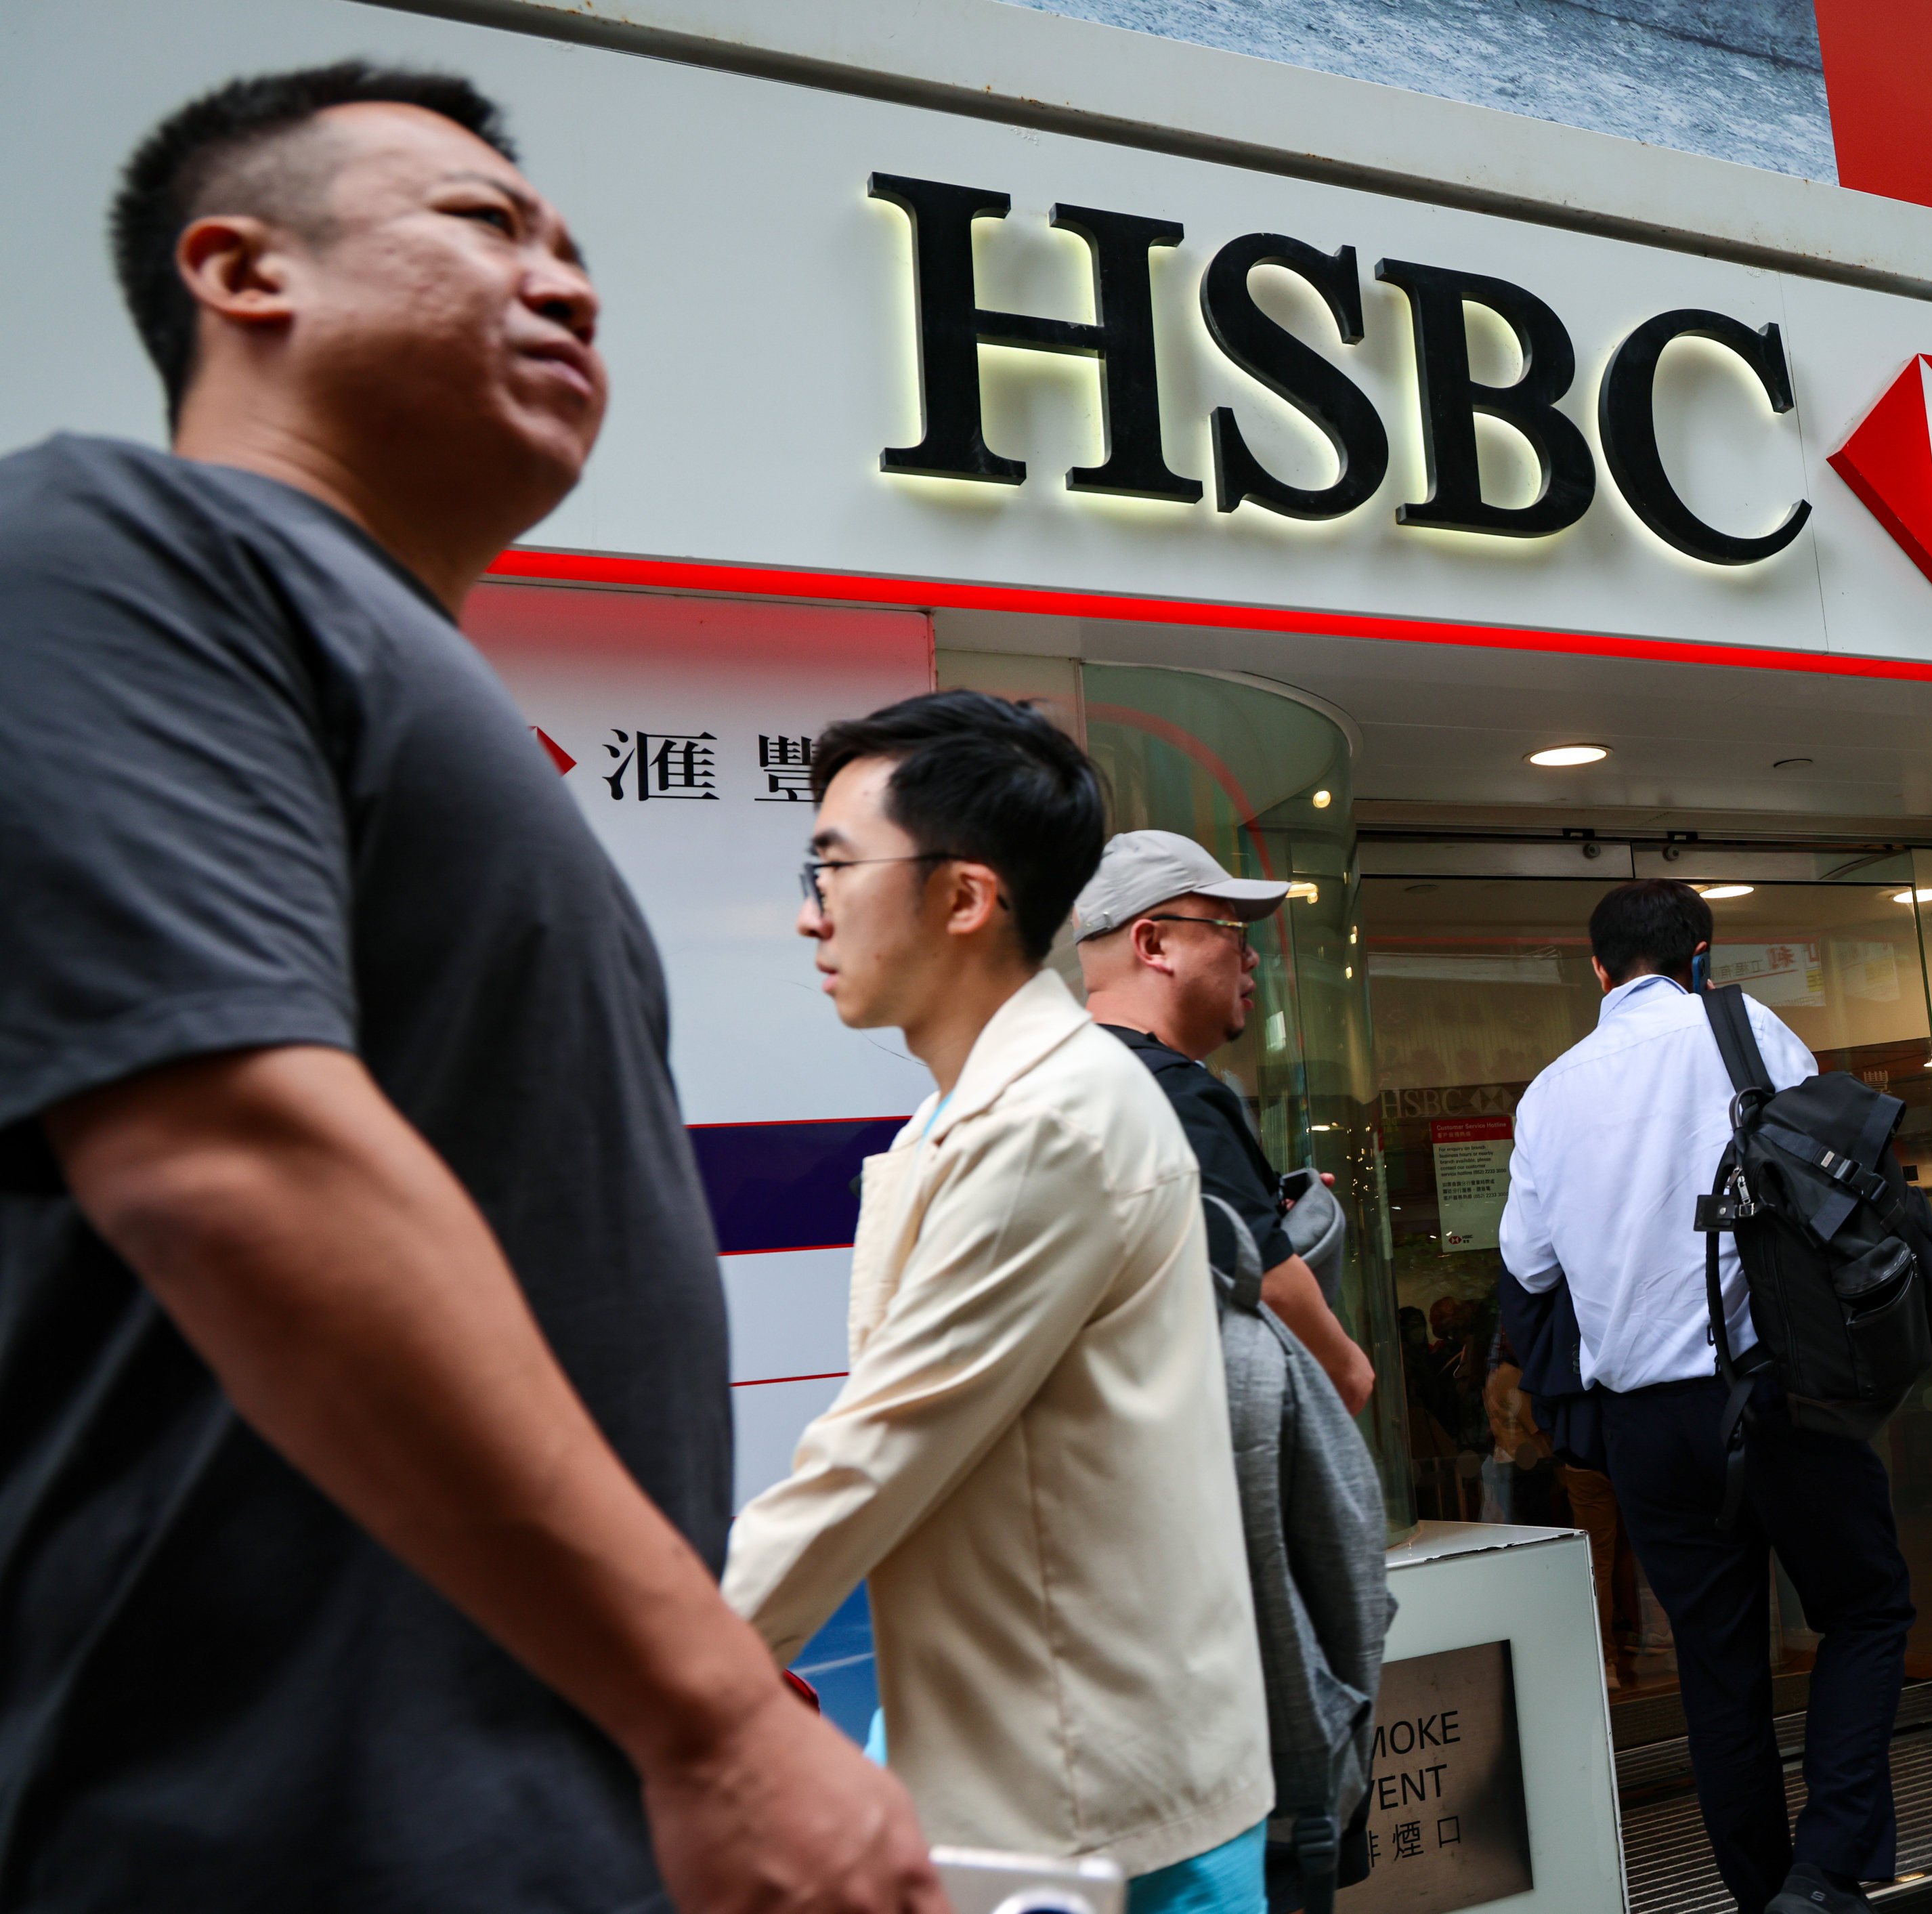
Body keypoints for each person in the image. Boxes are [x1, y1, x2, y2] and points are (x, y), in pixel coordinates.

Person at [0, 64, 937, 1913]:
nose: (568, 280)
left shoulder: (436, 704)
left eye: (578, 248)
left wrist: (703, 1704)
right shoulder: (112, 548)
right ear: (241, 271)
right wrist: (719, 1725)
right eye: (488, 225)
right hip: (257, 1829)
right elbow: (231, 1156)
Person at [724, 694, 1273, 1914]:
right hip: (1030, 1770)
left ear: (967, 898)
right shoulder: (981, 1107)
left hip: (1091, 1822)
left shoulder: (1049, 1118)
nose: (810, 913)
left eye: (835, 867)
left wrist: (648, 1688)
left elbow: (874, 1454)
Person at [1501, 880, 1913, 1914]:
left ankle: (1761, 1891)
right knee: (1864, 1606)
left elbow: (1527, 1262)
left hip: (1644, 1420)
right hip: (1771, 1392)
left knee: (1714, 1666)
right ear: (1699, 951)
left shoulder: (1547, 1092)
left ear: (1595, 969)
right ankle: (1822, 1869)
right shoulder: (1744, 1030)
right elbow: (1829, 1173)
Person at [1075, 830, 1374, 1411]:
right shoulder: (1169, 1092)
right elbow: (1262, 1277)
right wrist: (1346, 1368)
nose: (1251, 956)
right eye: (1232, 932)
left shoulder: (1062, 1076)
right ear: (1153, 944)